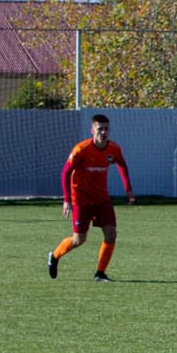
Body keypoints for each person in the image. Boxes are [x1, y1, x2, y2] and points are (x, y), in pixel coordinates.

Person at [49, 113, 135, 282]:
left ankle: (100, 273)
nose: (103, 132)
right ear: (92, 130)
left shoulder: (114, 149)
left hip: (102, 199)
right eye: (100, 129)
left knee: (111, 234)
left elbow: (122, 164)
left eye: (106, 129)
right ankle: (55, 256)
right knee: (78, 240)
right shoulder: (81, 150)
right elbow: (65, 172)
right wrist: (67, 200)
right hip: (81, 200)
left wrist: (128, 189)